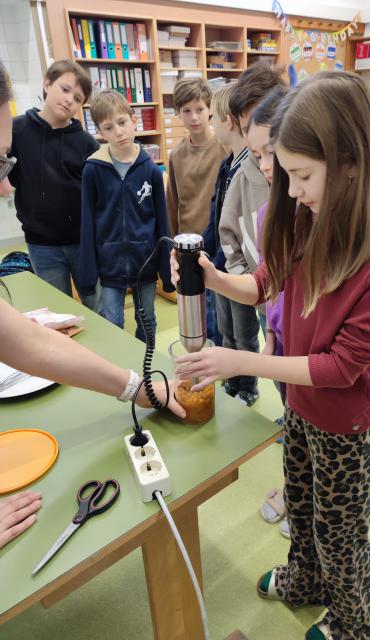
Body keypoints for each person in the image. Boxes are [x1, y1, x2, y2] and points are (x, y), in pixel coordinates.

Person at [171, 71, 370, 639]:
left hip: (346, 426)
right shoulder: (306, 215)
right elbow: (264, 283)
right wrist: (212, 278)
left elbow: (340, 367)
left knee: (341, 538)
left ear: (350, 161)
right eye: (285, 173)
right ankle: (306, 581)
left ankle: (356, 623)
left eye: (302, 175)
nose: (291, 190)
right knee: (304, 512)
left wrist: (242, 362)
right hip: (301, 408)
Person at [0, 63, 185, 550]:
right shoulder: (87, 162)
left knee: (135, 325)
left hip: (139, 265)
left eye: (4, 165)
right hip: (88, 257)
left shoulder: (137, 165)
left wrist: (136, 387)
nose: (5, 183)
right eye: (3, 165)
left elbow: (26, 341)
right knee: (108, 320)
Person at [79, 89, 173, 342]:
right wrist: (88, 275)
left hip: (145, 262)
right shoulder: (93, 170)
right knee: (112, 321)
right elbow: (87, 224)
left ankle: (146, 364)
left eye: (122, 123)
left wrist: (166, 272)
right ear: (100, 132)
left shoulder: (150, 170)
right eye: (109, 128)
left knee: (147, 319)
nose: (118, 132)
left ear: (134, 120)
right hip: (109, 265)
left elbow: (162, 223)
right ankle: (117, 367)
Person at [217, 63, 285, 406]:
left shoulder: (300, 175)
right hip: (263, 296)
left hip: (300, 303)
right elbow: (228, 233)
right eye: (247, 128)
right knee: (277, 363)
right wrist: (248, 281)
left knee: (296, 366)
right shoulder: (243, 175)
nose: (255, 136)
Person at [7, 60, 101, 309]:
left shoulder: (87, 143)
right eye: (65, 89)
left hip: (83, 243)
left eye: (78, 98)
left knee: (99, 308)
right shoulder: (16, 130)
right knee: (58, 313)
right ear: (47, 84)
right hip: (41, 245)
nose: (70, 100)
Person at [247, 86, 289, 538]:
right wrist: (273, 336)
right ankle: (296, 493)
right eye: (256, 155)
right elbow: (270, 285)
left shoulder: (320, 220)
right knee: (294, 425)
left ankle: (303, 499)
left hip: (319, 369)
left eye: (270, 154)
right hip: (284, 350)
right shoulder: (269, 216)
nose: (263, 166)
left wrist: (244, 362)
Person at [203, 82, 248, 346]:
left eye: (213, 118)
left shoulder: (250, 168)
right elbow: (216, 214)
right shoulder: (226, 165)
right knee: (225, 331)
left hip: (240, 270)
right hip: (220, 264)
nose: (211, 125)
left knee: (243, 336)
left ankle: (245, 377)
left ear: (228, 122)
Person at [166, 77, 227, 237]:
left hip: (219, 239)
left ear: (210, 110)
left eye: (199, 109)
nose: (194, 117)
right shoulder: (176, 155)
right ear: (178, 113)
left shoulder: (227, 149)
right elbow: (172, 206)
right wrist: (174, 242)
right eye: (186, 111)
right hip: (188, 240)